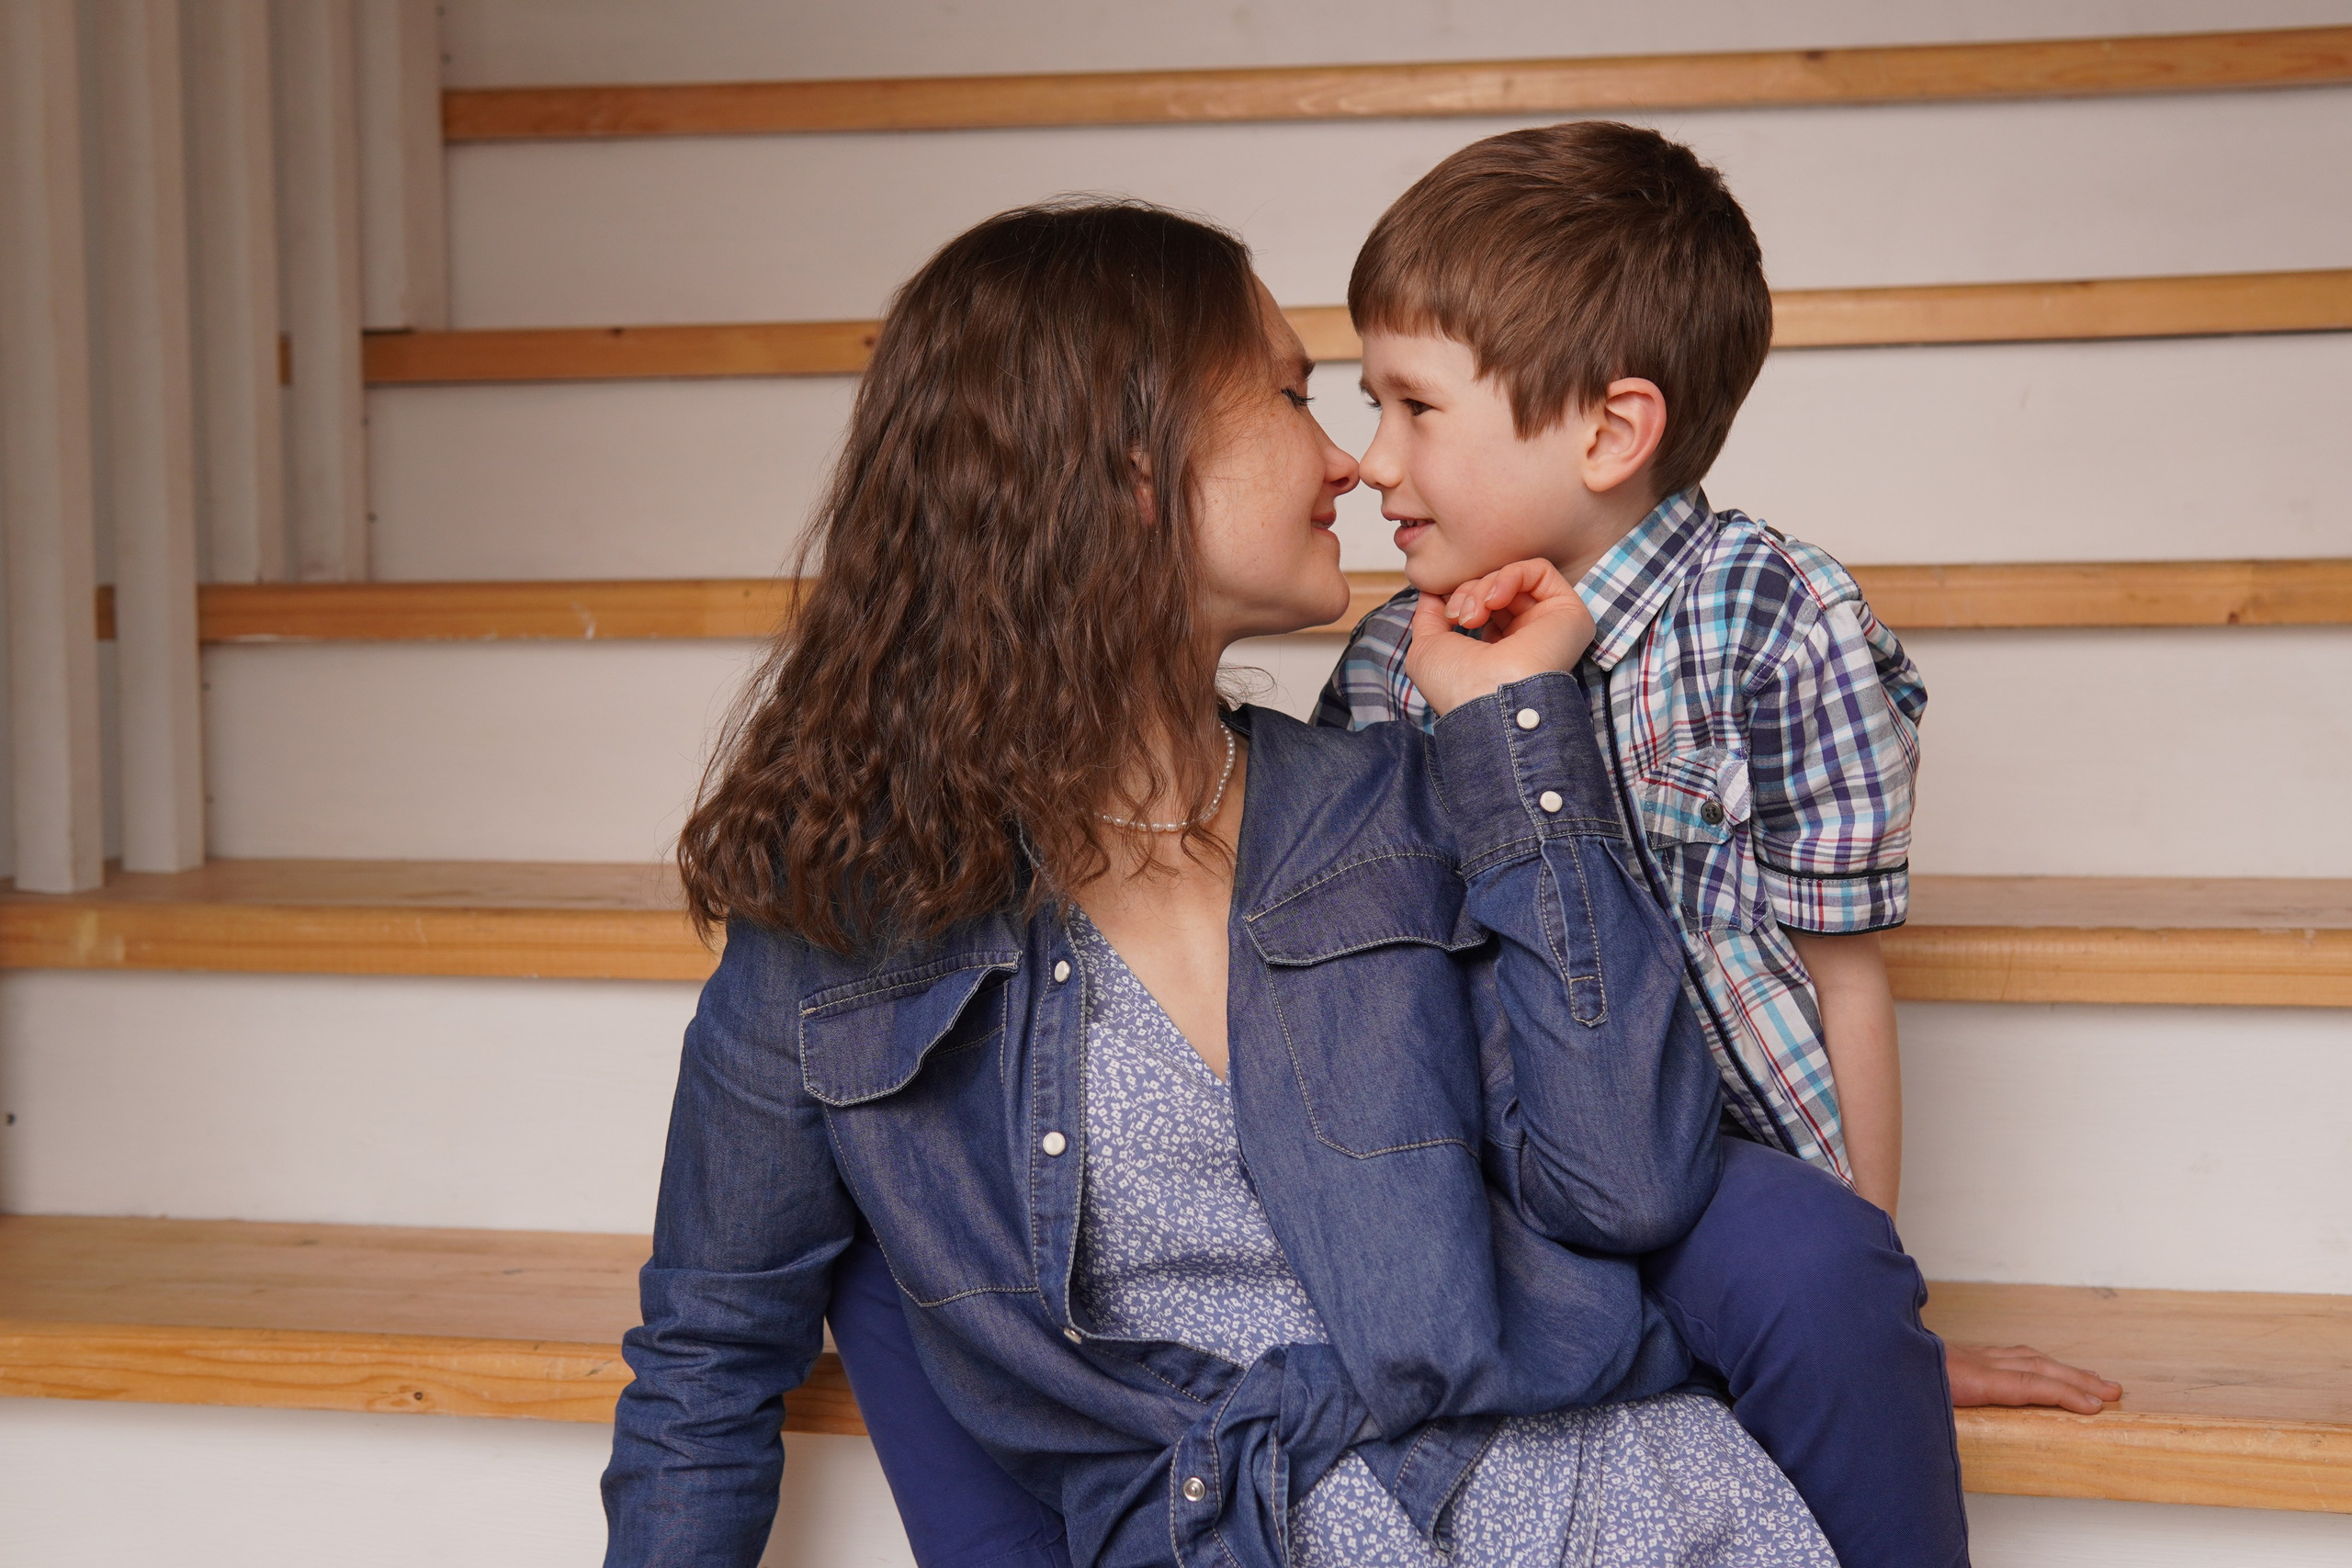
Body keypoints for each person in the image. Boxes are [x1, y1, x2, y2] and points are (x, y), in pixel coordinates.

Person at [603, 199, 1836, 1567]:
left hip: (1631, 1509)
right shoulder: (842, 923)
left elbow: (1628, 1186)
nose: (1351, 464)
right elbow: (705, 1370)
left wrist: (1518, 732)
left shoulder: (1393, 796)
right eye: (1294, 397)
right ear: (1131, 465)